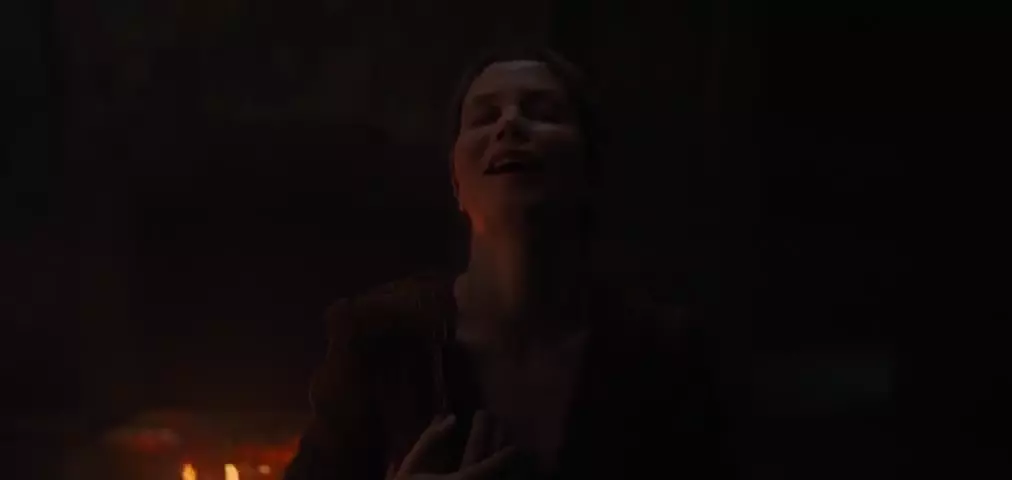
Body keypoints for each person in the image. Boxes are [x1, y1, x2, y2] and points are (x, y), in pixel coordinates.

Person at [283, 47, 733, 480]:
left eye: (543, 112)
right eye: (484, 116)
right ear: (456, 181)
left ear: (590, 167)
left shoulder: (664, 357)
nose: (510, 123)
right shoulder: (379, 338)